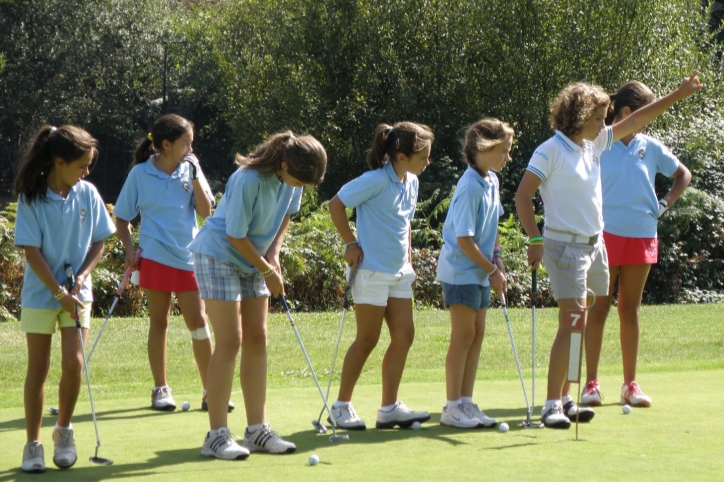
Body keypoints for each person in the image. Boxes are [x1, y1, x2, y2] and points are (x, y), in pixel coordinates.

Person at [514, 72, 702, 429]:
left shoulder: (593, 144)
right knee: (571, 322)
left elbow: (638, 119)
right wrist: (535, 238)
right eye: (599, 117)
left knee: (579, 322)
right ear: (579, 116)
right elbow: (523, 196)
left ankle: (567, 397)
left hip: (593, 246)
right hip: (564, 245)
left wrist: (678, 94)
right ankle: (552, 403)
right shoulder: (550, 150)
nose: (606, 124)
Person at [188, 131, 327, 460]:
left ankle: (256, 430)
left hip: (256, 257)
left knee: (257, 337)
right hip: (219, 253)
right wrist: (266, 269)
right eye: (299, 181)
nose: (300, 188)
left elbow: (285, 217)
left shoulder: (293, 181)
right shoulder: (248, 179)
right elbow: (235, 235)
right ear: (282, 165)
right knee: (230, 340)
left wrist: (274, 255)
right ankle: (216, 435)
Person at [581, 81, 692, 408]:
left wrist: (663, 204)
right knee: (599, 308)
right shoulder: (601, 143)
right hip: (605, 235)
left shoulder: (650, 146)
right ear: (629, 113)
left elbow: (682, 175)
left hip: (642, 234)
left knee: (629, 310)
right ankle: (591, 384)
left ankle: (630, 384)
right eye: (645, 112)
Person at [13, 125, 116, 473]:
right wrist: (59, 293)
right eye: (82, 165)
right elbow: (31, 252)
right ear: (59, 162)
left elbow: (100, 240)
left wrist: (83, 277)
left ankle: (64, 431)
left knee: (74, 363)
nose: (87, 172)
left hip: (77, 294)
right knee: (38, 368)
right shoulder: (32, 197)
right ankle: (32, 444)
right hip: (42, 293)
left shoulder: (87, 193)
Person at [327, 122, 434, 430]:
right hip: (371, 270)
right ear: (401, 156)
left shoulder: (411, 182)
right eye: (423, 157)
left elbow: (405, 225)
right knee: (368, 339)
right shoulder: (373, 180)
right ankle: (341, 405)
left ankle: (388, 408)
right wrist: (350, 242)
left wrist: (410, 262)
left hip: (400, 273)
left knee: (404, 335)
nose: (427, 163)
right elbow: (336, 204)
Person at [114, 114, 225, 412]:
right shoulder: (140, 174)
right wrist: (128, 248)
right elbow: (121, 216)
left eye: (191, 143)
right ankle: (160, 389)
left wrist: (194, 174)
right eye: (185, 143)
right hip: (154, 256)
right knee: (159, 321)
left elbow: (205, 211)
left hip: (189, 257)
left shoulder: (191, 168)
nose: (190, 148)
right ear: (166, 145)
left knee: (199, 322)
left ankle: (210, 390)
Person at [436, 119, 512, 428]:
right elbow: (464, 240)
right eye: (503, 151)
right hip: (461, 270)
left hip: (480, 270)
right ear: (484, 148)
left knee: (477, 335)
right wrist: (492, 270)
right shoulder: (469, 186)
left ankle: (466, 403)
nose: (507, 157)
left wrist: (497, 259)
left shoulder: (491, 180)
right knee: (464, 335)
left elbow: (491, 229)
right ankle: (452, 405)